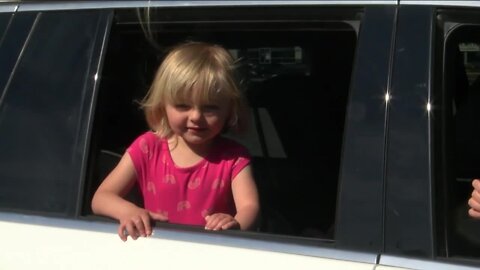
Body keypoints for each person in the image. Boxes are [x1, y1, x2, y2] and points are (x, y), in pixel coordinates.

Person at [91, 41, 260, 241]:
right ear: (163, 106)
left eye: (210, 107)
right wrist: (128, 211)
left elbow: (249, 206)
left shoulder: (233, 158)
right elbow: (101, 197)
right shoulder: (147, 147)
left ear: (230, 110)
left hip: (211, 251)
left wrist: (234, 223)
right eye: (182, 105)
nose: (196, 116)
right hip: (158, 249)